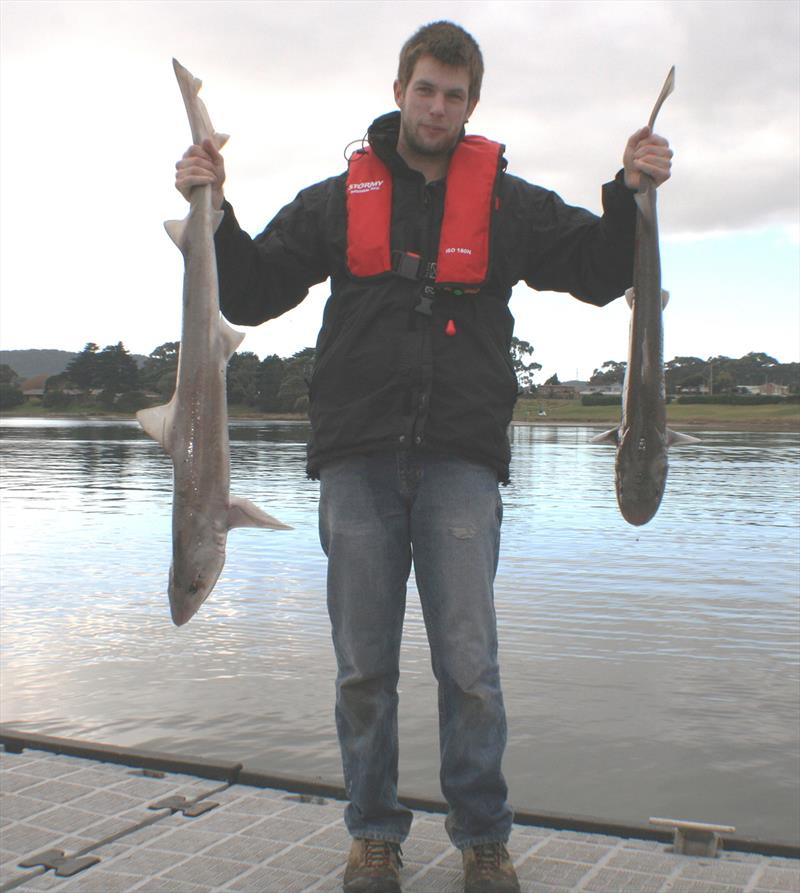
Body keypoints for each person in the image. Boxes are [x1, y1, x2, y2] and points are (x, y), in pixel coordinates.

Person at [175, 21, 672, 893]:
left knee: (469, 666)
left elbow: (598, 271)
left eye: (453, 94)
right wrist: (214, 205)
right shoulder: (338, 199)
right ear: (400, 89)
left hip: (460, 460)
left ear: (470, 104)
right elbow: (252, 286)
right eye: (425, 89)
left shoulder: (509, 204)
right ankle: (373, 834)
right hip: (357, 458)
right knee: (363, 666)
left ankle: (484, 838)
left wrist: (629, 188)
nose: (437, 107)